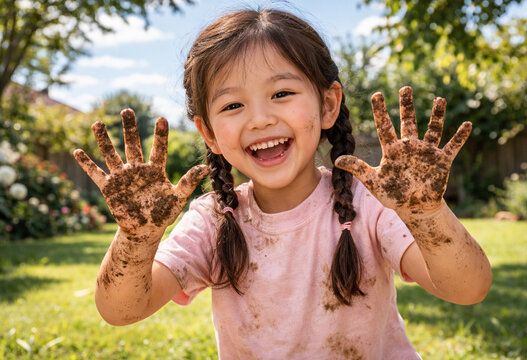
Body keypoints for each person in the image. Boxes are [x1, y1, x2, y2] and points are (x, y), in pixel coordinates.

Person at [73, 8, 492, 359]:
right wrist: (137, 238)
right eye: (233, 104)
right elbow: (121, 310)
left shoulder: (368, 205)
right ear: (209, 134)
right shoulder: (212, 220)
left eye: (282, 94)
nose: (260, 119)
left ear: (328, 104)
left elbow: (468, 287)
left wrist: (426, 212)